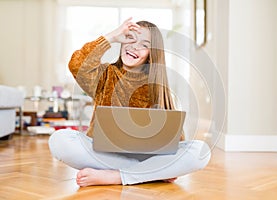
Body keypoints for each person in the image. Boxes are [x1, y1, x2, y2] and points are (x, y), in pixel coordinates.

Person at [48, 18, 211, 186]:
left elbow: (174, 139)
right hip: (104, 155)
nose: (134, 46)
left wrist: (168, 160)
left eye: (144, 44)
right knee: (59, 139)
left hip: (146, 156)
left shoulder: (157, 85)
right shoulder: (105, 75)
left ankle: (116, 177)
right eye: (131, 38)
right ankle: (146, 173)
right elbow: (77, 64)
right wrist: (111, 36)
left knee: (201, 152)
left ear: (151, 54)